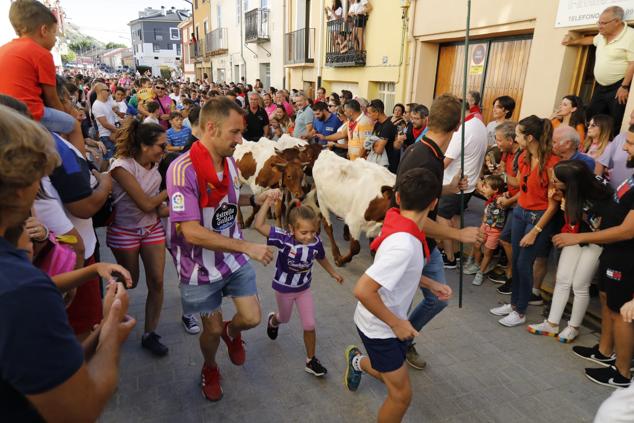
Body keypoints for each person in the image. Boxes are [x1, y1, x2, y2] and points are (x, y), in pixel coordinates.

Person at [0, 104, 136, 422]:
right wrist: (112, 335)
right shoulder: (21, 292)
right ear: (20, 189)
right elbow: (81, 409)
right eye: (41, 177)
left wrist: (89, 272)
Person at [166, 97, 276, 401]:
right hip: (199, 269)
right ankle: (210, 366)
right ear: (211, 128)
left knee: (252, 318)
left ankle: (233, 332)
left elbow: (229, 202)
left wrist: (261, 199)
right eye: (235, 132)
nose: (240, 139)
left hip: (232, 259)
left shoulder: (229, 161)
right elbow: (190, 231)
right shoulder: (181, 170)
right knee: (211, 330)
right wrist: (247, 246)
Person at [344, 167, 450, 423]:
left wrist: (428, 282)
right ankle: (358, 360)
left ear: (398, 198)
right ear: (434, 203)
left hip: (385, 323)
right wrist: (397, 323)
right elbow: (362, 289)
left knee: (390, 375)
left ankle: (357, 361)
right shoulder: (405, 243)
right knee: (401, 396)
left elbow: (395, 272)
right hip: (381, 328)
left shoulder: (396, 223)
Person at [396, 94, 481, 369]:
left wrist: (449, 188)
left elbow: (418, 198)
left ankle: (403, 338)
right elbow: (415, 219)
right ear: (458, 127)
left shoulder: (421, 150)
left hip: (424, 243)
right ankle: (394, 343)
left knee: (438, 298)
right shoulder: (428, 161)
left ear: (430, 119)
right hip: (412, 244)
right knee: (409, 301)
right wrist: (459, 235)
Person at [553, 130, 634, 387]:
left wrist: (577, 238)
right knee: (608, 301)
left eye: (630, 143)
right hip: (613, 253)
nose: (625, 149)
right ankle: (604, 351)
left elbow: (628, 230)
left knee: (622, 312)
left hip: (626, 257)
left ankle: (621, 373)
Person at [254, 194, 343, 376]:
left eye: (313, 232)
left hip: (303, 290)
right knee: (284, 318)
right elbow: (259, 225)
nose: (309, 237)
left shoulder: (315, 242)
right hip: (284, 289)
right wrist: (267, 203)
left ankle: (311, 360)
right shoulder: (283, 238)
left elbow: (321, 258)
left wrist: (333, 273)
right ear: (291, 229)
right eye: (304, 232)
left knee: (309, 324)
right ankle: (273, 320)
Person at [490, 116, 560, 327]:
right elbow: (520, 185)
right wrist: (502, 174)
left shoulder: (552, 163)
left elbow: (553, 205)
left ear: (529, 137)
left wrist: (536, 230)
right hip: (521, 212)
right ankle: (513, 305)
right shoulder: (523, 157)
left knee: (523, 264)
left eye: (519, 134)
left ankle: (520, 311)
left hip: (537, 217)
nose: (515, 137)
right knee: (517, 262)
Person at [108, 119, 170, 357]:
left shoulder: (155, 166)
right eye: (161, 146)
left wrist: (184, 205)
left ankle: (150, 334)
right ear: (145, 146)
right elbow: (145, 203)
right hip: (124, 230)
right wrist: (172, 188)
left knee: (157, 281)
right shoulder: (122, 167)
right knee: (128, 279)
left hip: (151, 228)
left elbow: (158, 208)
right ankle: (109, 320)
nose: (165, 151)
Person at [528, 160, 608, 343]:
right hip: (572, 235)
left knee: (580, 284)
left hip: (593, 240)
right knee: (563, 278)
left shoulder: (599, 192)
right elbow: (571, 218)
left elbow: (599, 227)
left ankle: (573, 326)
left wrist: (576, 212)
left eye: (557, 181)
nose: (553, 183)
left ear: (571, 182)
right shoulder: (570, 190)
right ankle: (552, 323)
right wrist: (559, 201)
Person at [0, 0, 83, 150]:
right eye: (54, 33)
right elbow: (52, 98)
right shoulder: (42, 54)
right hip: (29, 114)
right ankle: (83, 169)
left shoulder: (3, 49)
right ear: (44, 30)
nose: (55, 39)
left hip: (5, 115)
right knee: (73, 125)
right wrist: (68, 114)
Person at [562, 5, 634, 135]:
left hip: (618, 87)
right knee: (591, 115)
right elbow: (591, 40)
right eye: (599, 22)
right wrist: (573, 41)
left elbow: (632, 63)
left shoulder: (630, 36)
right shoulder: (602, 35)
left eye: (603, 23)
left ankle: (607, 149)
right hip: (600, 86)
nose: (600, 26)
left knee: (615, 120)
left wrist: (624, 86)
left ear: (617, 21)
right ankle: (588, 144)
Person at [437, 109, 488, 268]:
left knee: (442, 217)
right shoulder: (479, 124)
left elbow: (445, 163)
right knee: (456, 217)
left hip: (455, 183)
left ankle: (450, 257)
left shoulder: (462, 131)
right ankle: (457, 253)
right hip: (469, 183)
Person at [488, 121, 522, 292]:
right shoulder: (506, 153)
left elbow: (521, 184)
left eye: (500, 140)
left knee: (507, 239)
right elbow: (506, 176)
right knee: (505, 239)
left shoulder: (522, 156)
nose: (497, 143)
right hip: (510, 198)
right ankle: (510, 271)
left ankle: (513, 275)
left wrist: (509, 199)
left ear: (511, 139)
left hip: (519, 203)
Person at [463, 175, 506, 286]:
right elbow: (480, 189)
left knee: (487, 252)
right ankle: (477, 265)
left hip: (495, 231)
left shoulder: (500, 199)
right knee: (477, 246)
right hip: (484, 226)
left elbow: (505, 199)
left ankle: (480, 272)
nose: (483, 189)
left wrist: (505, 196)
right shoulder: (489, 197)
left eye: (486, 187)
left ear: (495, 190)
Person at [596, 109, 634, 189]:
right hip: (612, 195)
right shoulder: (620, 137)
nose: (630, 122)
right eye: (631, 118)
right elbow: (601, 163)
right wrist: (597, 186)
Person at [367, 99, 402, 173]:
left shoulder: (388, 126)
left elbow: (379, 150)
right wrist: (373, 144)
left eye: (369, 113)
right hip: (377, 164)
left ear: (376, 112)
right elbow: (370, 142)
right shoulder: (377, 124)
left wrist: (371, 144)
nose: (368, 116)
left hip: (387, 167)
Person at [91, 82, 120, 160]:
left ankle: (102, 172)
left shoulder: (108, 100)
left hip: (113, 133)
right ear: (100, 91)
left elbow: (116, 108)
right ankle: (100, 172)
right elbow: (105, 124)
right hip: (106, 135)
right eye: (107, 90)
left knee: (111, 159)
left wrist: (116, 109)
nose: (109, 92)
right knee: (109, 159)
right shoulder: (96, 105)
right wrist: (118, 131)